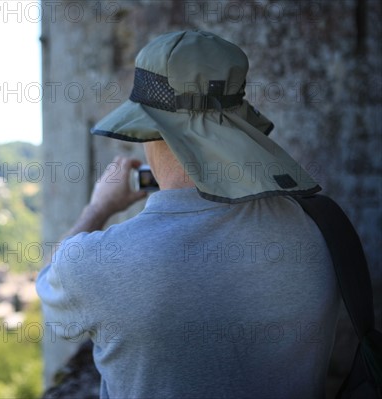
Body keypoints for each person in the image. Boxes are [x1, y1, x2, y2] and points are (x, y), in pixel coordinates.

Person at [36, 30, 340, 398]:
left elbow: (52, 289)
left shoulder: (97, 263)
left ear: (148, 130)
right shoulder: (319, 229)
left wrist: (98, 207)